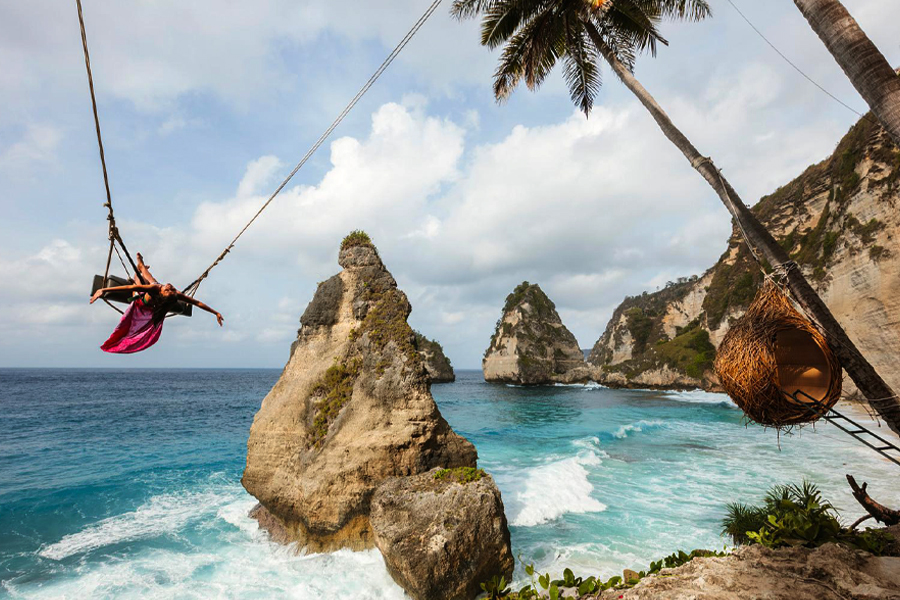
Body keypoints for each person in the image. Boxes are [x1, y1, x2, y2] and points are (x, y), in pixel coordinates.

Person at [90, 253, 224, 353]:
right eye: (171, 288)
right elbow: (197, 302)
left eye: (168, 289)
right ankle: (141, 266)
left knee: (139, 284)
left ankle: (139, 270)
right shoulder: (167, 290)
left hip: (140, 304)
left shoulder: (155, 289)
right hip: (153, 302)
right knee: (151, 279)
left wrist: (103, 290)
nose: (170, 286)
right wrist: (215, 312)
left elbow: (131, 288)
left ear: (162, 293)